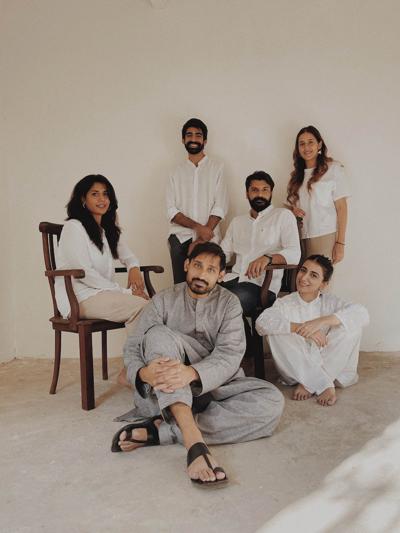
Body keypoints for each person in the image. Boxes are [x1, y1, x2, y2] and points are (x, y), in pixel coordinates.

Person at [111, 242, 284, 487]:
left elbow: (230, 354)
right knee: (158, 335)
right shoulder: (162, 300)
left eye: (211, 270)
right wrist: (142, 374)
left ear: (221, 275)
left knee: (272, 402)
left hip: (215, 385)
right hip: (165, 385)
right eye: (197, 266)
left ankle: (162, 430)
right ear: (186, 265)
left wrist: (191, 373)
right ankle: (194, 443)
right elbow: (133, 347)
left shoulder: (229, 303)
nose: (202, 274)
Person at [256, 255, 369, 406]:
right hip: (296, 370)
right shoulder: (284, 303)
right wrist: (299, 328)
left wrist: (320, 322)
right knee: (276, 331)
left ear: (323, 284)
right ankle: (323, 383)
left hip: (332, 366)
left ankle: (309, 383)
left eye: (313, 275)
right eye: (303, 270)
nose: (304, 278)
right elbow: (261, 323)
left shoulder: (331, 302)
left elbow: (362, 313)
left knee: (352, 326)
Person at [55, 174, 148, 334]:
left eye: (105, 194)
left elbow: (129, 256)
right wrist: (126, 292)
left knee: (155, 308)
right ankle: (143, 351)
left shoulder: (105, 231)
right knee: (143, 307)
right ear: (83, 199)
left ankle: (154, 350)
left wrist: (134, 268)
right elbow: (84, 273)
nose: (102, 199)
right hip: (79, 298)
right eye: (95, 194)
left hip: (103, 294)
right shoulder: (73, 227)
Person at [220, 170, 301, 316]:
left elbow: (294, 254)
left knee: (227, 304)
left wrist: (268, 258)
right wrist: (208, 264)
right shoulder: (237, 222)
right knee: (200, 295)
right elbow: (222, 254)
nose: (260, 194)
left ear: (271, 193)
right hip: (232, 279)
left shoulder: (282, 216)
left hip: (262, 286)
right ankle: (244, 332)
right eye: (254, 190)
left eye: (265, 190)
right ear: (247, 193)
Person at [166, 118, 228, 283]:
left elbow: (220, 206)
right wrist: (198, 228)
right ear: (183, 140)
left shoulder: (217, 168)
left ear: (205, 141)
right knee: (181, 287)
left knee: (206, 285)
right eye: (189, 135)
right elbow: (171, 210)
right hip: (180, 237)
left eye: (198, 135)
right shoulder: (174, 172)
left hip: (210, 238)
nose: (193, 139)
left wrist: (201, 239)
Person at [286, 126, 349, 263]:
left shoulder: (333, 169)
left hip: (324, 235)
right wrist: (292, 210)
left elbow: (342, 208)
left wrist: (340, 243)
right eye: (302, 144)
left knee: (320, 275)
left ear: (319, 144)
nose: (306, 147)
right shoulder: (296, 176)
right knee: (299, 276)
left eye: (310, 142)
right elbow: (290, 206)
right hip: (299, 237)